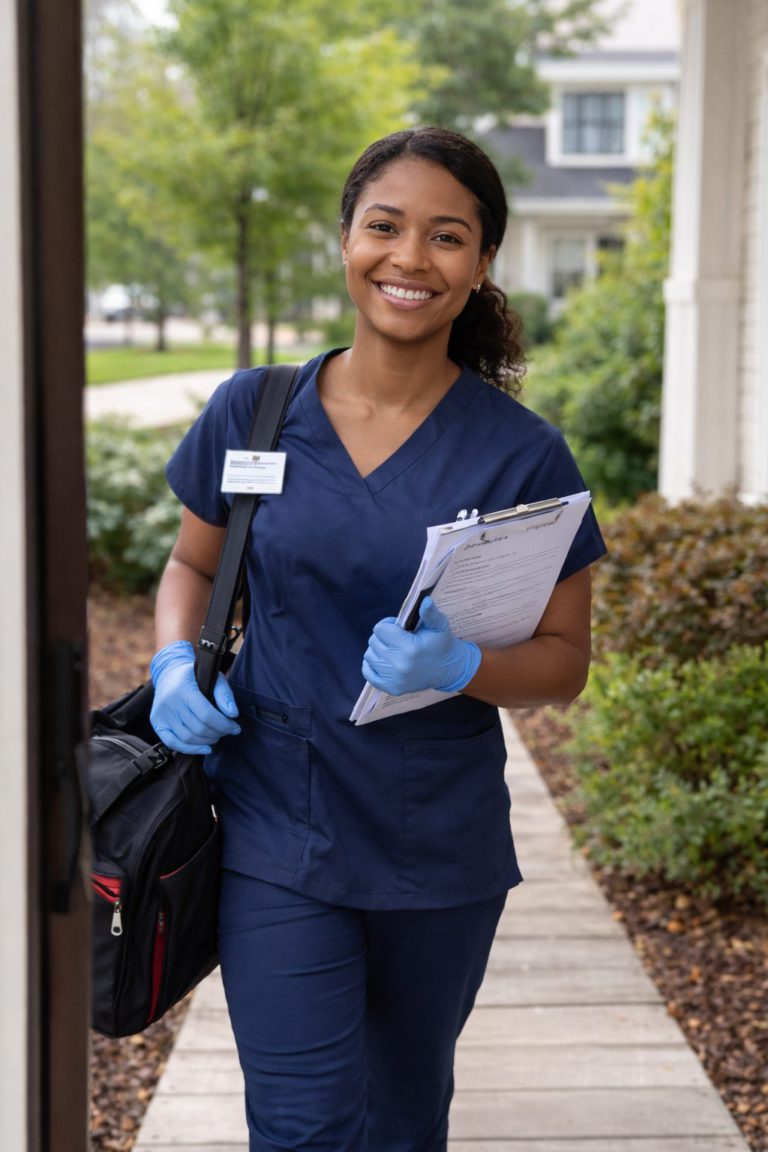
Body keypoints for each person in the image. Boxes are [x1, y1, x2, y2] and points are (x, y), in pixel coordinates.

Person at [149, 125, 606, 1152]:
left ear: (482, 264)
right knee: (304, 1125)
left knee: (403, 1121)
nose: (410, 258)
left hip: (436, 848)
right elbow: (189, 566)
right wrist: (176, 658)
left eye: (447, 236)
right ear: (346, 239)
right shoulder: (255, 412)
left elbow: (566, 659)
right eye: (385, 227)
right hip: (276, 822)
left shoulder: (523, 456)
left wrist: (467, 665)